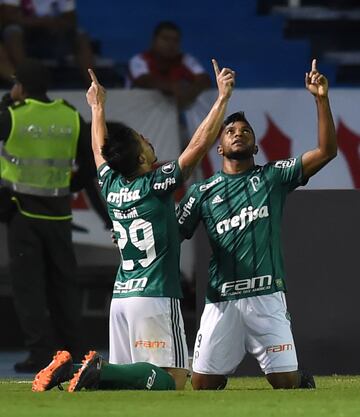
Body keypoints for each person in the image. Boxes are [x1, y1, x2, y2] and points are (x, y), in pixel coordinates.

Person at [31, 58, 235, 392]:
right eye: (141, 139)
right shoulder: (155, 184)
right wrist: (222, 99)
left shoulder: (111, 185)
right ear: (141, 158)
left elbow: (99, 150)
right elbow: (198, 146)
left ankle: (72, 370)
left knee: (128, 383)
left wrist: (97, 107)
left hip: (122, 296)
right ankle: (91, 366)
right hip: (155, 296)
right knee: (172, 380)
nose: (146, 137)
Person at [176, 59, 337, 390]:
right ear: (219, 146)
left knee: (286, 383)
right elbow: (172, 233)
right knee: (202, 385)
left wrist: (321, 98)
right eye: (231, 131)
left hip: (266, 295)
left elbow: (327, 151)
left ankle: (296, 377)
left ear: (256, 145)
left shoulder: (272, 177)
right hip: (221, 299)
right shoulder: (202, 191)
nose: (238, 133)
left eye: (245, 131)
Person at [0, 58, 93, 372]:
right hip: (59, 214)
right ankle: (77, 351)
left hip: (22, 213)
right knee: (64, 286)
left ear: (21, 87)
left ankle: (42, 354)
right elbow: (92, 159)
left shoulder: (12, 116)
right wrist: (71, 185)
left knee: (29, 289)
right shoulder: (69, 115)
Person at [1, 0, 94, 85]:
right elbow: (9, 18)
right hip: (26, 33)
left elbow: (70, 19)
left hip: (52, 34)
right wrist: (41, 22)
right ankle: (26, 81)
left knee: (80, 35)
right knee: (12, 31)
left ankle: (93, 85)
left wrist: (56, 24)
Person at [128, 21, 211, 109]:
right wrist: (172, 87)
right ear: (153, 41)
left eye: (175, 40)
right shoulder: (140, 59)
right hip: (139, 110)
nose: (171, 44)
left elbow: (205, 80)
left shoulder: (185, 59)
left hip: (173, 114)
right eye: (165, 39)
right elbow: (144, 81)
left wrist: (189, 92)